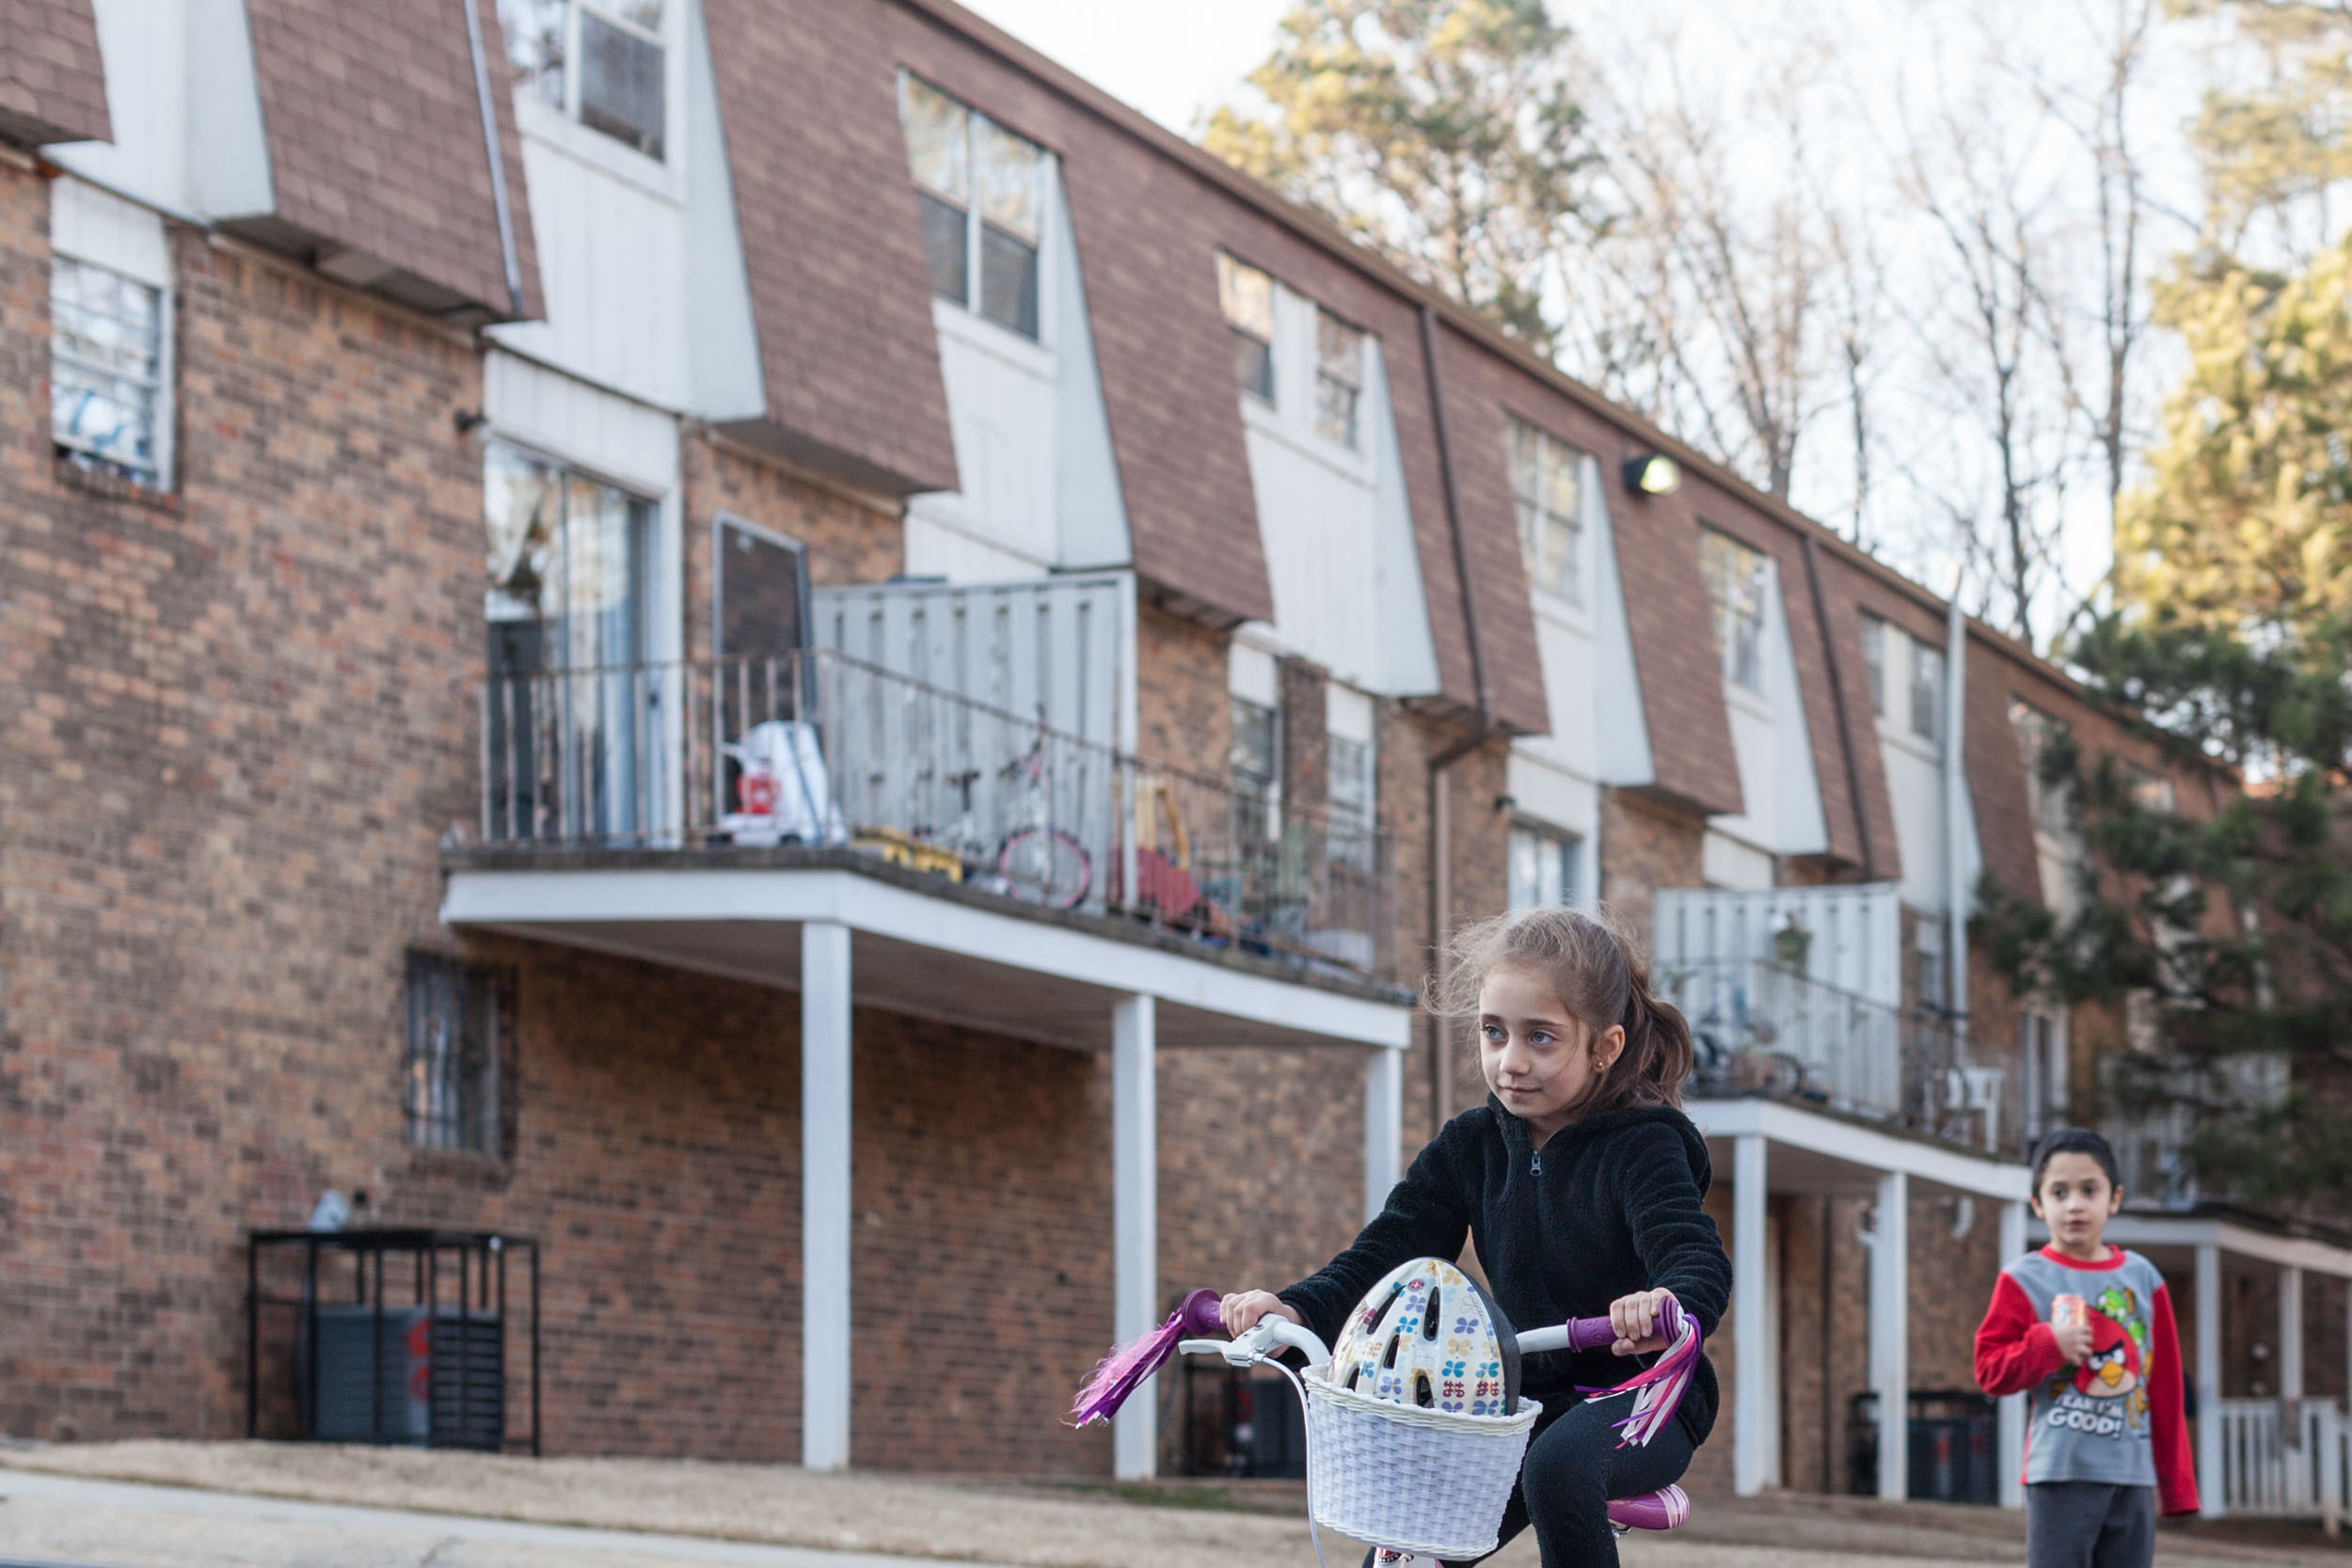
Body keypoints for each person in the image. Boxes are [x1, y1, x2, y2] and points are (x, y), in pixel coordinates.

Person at [1218, 906, 1732, 1568]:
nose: (1511, 1061)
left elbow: (1694, 1255)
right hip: (1520, 1399)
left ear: (1603, 1047)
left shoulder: (1646, 1146)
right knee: (1411, 1533)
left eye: (1541, 1038)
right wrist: (1294, 1308)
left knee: (1559, 1467)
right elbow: (1386, 1251)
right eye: (1495, 1032)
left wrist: (1671, 1305)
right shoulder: (1470, 1146)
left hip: (1644, 1395)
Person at [1974, 1128, 2199, 1568]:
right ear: (2038, 1203)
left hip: (2132, 1479)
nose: (2074, 1204)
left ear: (2114, 1199)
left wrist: (2177, 1487)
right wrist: (2047, 1345)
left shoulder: (2144, 1279)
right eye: (2059, 1192)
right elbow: (1989, 1371)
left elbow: (2166, 1388)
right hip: (2059, 1474)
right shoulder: (2023, 1278)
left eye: (2088, 1190)